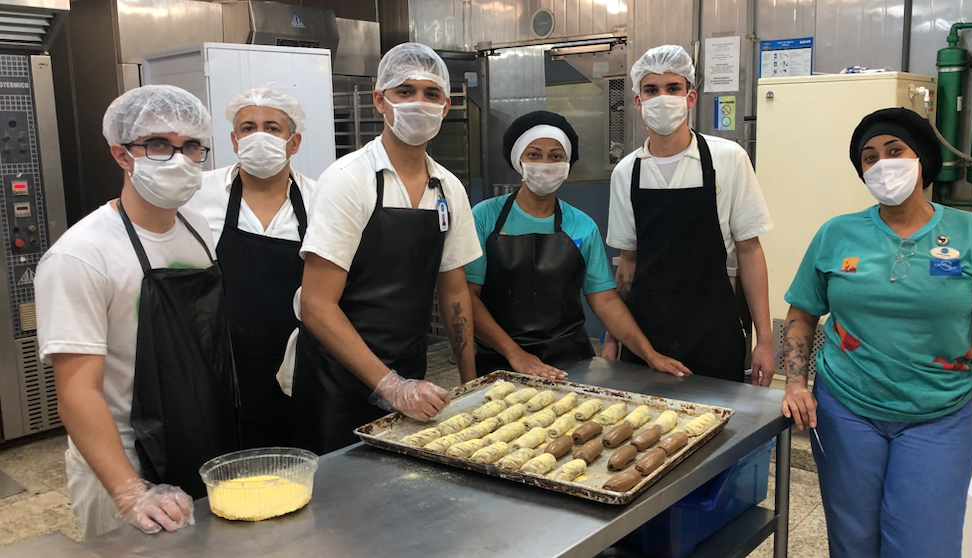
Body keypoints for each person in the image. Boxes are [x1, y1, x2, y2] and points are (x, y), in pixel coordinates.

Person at [780, 107, 972, 557]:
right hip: (846, 410)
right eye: (870, 157)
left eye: (895, 151)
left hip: (938, 416)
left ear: (922, 159)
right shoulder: (836, 234)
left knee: (923, 545)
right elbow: (802, 314)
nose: (882, 165)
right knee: (851, 541)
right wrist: (795, 382)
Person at [36, 85, 240, 538]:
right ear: (122, 154)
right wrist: (130, 492)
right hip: (125, 468)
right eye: (159, 145)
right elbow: (77, 392)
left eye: (191, 146)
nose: (179, 159)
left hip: (198, 445)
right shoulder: (81, 256)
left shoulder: (196, 228)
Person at [293, 43, 481, 455]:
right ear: (380, 100)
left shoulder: (448, 189)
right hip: (336, 380)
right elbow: (317, 305)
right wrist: (390, 386)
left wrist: (471, 385)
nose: (419, 103)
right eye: (405, 91)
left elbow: (454, 291)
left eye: (431, 94)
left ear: (446, 106)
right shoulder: (349, 180)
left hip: (410, 370)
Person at [466, 111, 690, 379]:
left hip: (569, 362)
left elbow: (605, 300)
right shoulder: (484, 217)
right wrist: (515, 354)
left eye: (555, 156)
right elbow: (468, 297)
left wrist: (649, 354)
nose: (545, 164)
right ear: (518, 161)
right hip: (499, 360)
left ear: (567, 164)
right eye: (534, 155)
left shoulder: (582, 225)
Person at [604, 45, 775, 384]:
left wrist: (765, 341)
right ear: (638, 101)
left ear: (690, 97)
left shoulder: (728, 158)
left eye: (673, 88)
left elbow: (750, 251)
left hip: (713, 328)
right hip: (646, 333)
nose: (662, 98)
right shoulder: (626, 172)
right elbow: (628, 262)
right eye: (651, 90)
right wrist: (613, 337)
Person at [184, 87, 314, 449]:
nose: (259, 136)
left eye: (271, 128)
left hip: (300, 365)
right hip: (223, 367)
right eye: (248, 128)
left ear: (294, 142)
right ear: (234, 140)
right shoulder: (198, 194)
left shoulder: (319, 199)